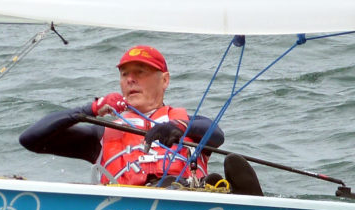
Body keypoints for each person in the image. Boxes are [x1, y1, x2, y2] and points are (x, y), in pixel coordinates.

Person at [19, 45, 227, 187]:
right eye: (124, 74)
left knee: (230, 164)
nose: (130, 80)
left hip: (187, 200)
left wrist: (180, 127)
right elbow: (30, 139)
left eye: (140, 72)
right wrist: (88, 110)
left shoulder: (190, 123)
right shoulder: (100, 134)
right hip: (127, 205)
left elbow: (217, 135)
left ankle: (237, 192)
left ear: (164, 80)